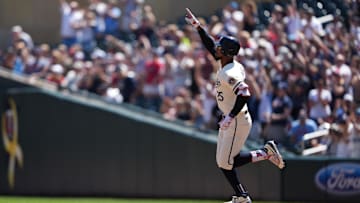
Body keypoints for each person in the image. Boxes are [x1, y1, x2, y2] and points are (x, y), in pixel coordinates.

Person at [185, 8, 285, 203]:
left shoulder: (230, 72)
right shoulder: (227, 63)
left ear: (227, 52)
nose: (217, 47)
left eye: (220, 46)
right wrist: (198, 27)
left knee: (226, 162)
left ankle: (243, 196)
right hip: (232, 117)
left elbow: (245, 93)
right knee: (223, 162)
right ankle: (264, 155)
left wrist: (230, 116)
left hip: (237, 119)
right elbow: (209, 45)